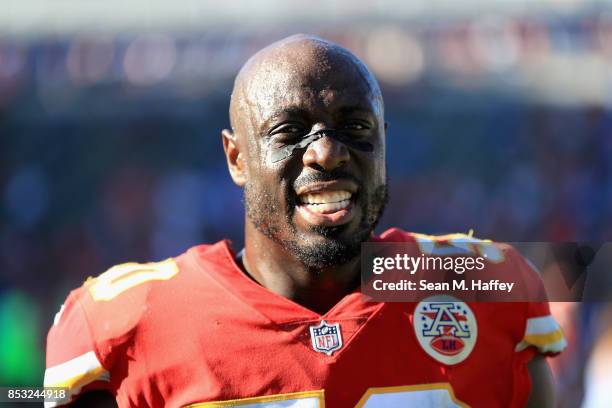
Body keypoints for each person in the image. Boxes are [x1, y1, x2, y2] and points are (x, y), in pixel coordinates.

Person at [44, 34, 566, 407]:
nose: (327, 153)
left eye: (355, 126)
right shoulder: (123, 327)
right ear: (236, 158)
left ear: (385, 140)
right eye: (290, 130)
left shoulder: (490, 291)